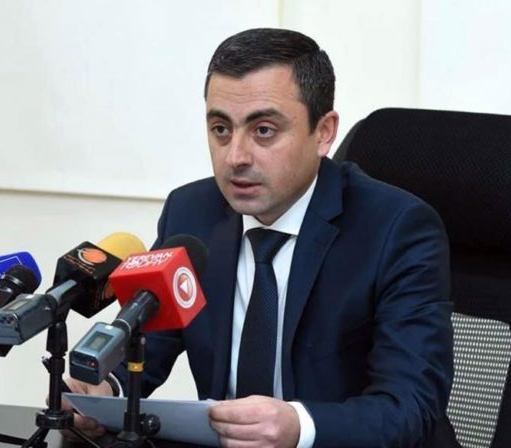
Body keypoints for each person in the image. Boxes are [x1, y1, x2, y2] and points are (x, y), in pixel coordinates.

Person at [65, 28, 457, 447]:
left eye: (264, 130)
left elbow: (410, 407)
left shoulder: (396, 230)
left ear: (324, 132)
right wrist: (107, 390)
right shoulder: (192, 212)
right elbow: (151, 345)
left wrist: (299, 427)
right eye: (221, 129)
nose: (235, 156)